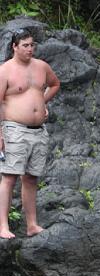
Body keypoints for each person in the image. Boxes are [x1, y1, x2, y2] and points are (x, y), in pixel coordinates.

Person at [0, 28, 60, 239]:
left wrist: (42, 101)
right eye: (25, 45)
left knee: (31, 178)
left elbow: (55, 84)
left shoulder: (41, 67)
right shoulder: (5, 70)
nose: (30, 49)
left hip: (38, 130)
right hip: (14, 129)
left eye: (32, 45)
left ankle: (31, 225)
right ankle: (3, 226)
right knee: (9, 177)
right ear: (14, 47)